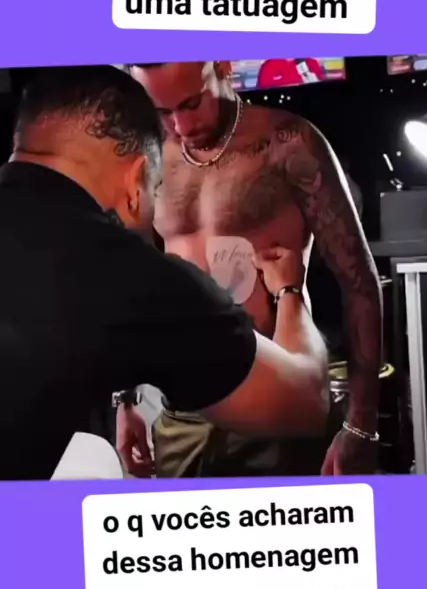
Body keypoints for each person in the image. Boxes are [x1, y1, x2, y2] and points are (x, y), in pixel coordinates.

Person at [0, 65, 329, 481]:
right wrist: (290, 293)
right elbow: (307, 400)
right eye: (157, 188)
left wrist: (125, 398)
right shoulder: (128, 275)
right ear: (137, 178)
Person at [129, 60, 383, 476]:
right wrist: (126, 400)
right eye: (163, 111)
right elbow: (133, 282)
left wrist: (362, 424)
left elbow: (358, 282)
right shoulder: (151, 153)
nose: (181, 126)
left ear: (223, 66)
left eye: (192, 103)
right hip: (182, 409)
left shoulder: (289, 143)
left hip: (278, 401)